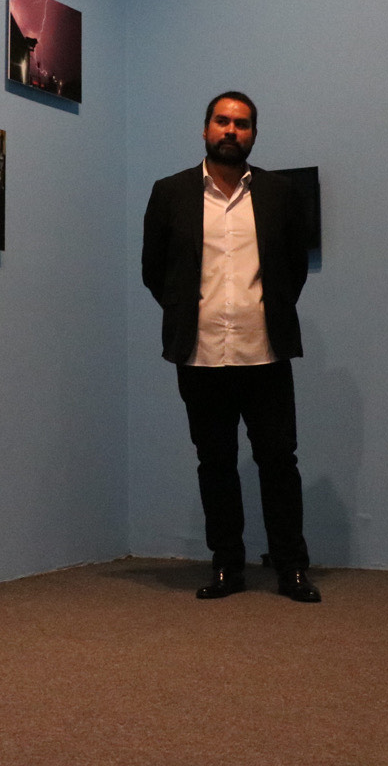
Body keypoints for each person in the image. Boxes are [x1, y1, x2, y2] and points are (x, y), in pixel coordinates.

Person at [141, 92, 319, 603]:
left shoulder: (280, 193)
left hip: (265, 351)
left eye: (242, 124)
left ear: (254, 135)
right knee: (214, 464)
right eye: (222, 121)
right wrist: (184, 311)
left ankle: (291, 568)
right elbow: (155, 271)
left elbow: (293, 268)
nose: (231, 130)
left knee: (279, 462)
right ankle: (228, 567)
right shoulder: (170, 192)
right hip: (199, 355)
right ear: (204, 129)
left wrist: (268, 311)